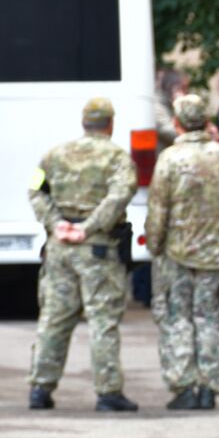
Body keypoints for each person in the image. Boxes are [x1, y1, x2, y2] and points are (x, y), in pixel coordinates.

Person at [26, 98, 139, 412]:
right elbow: (119, 196)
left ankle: (40, 388)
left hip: (60, 248)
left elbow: (34, 189)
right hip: (98, 250)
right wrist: (88, 228)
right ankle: (107, 392)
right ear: (110, 124)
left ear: (84, 123)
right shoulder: (118, 158)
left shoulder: (54, 155)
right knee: (102, 321)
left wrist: (56, 223)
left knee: (54, 320)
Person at [146, 93, 219, 410]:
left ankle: (184, 387)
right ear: (207, 122)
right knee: (208, 319)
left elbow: (158, 209)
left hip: (178, 252)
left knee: (178, 319)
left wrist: (154, 244)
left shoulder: (170, 160)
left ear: (176, 124)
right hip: (215, 253)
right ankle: (209, 387)